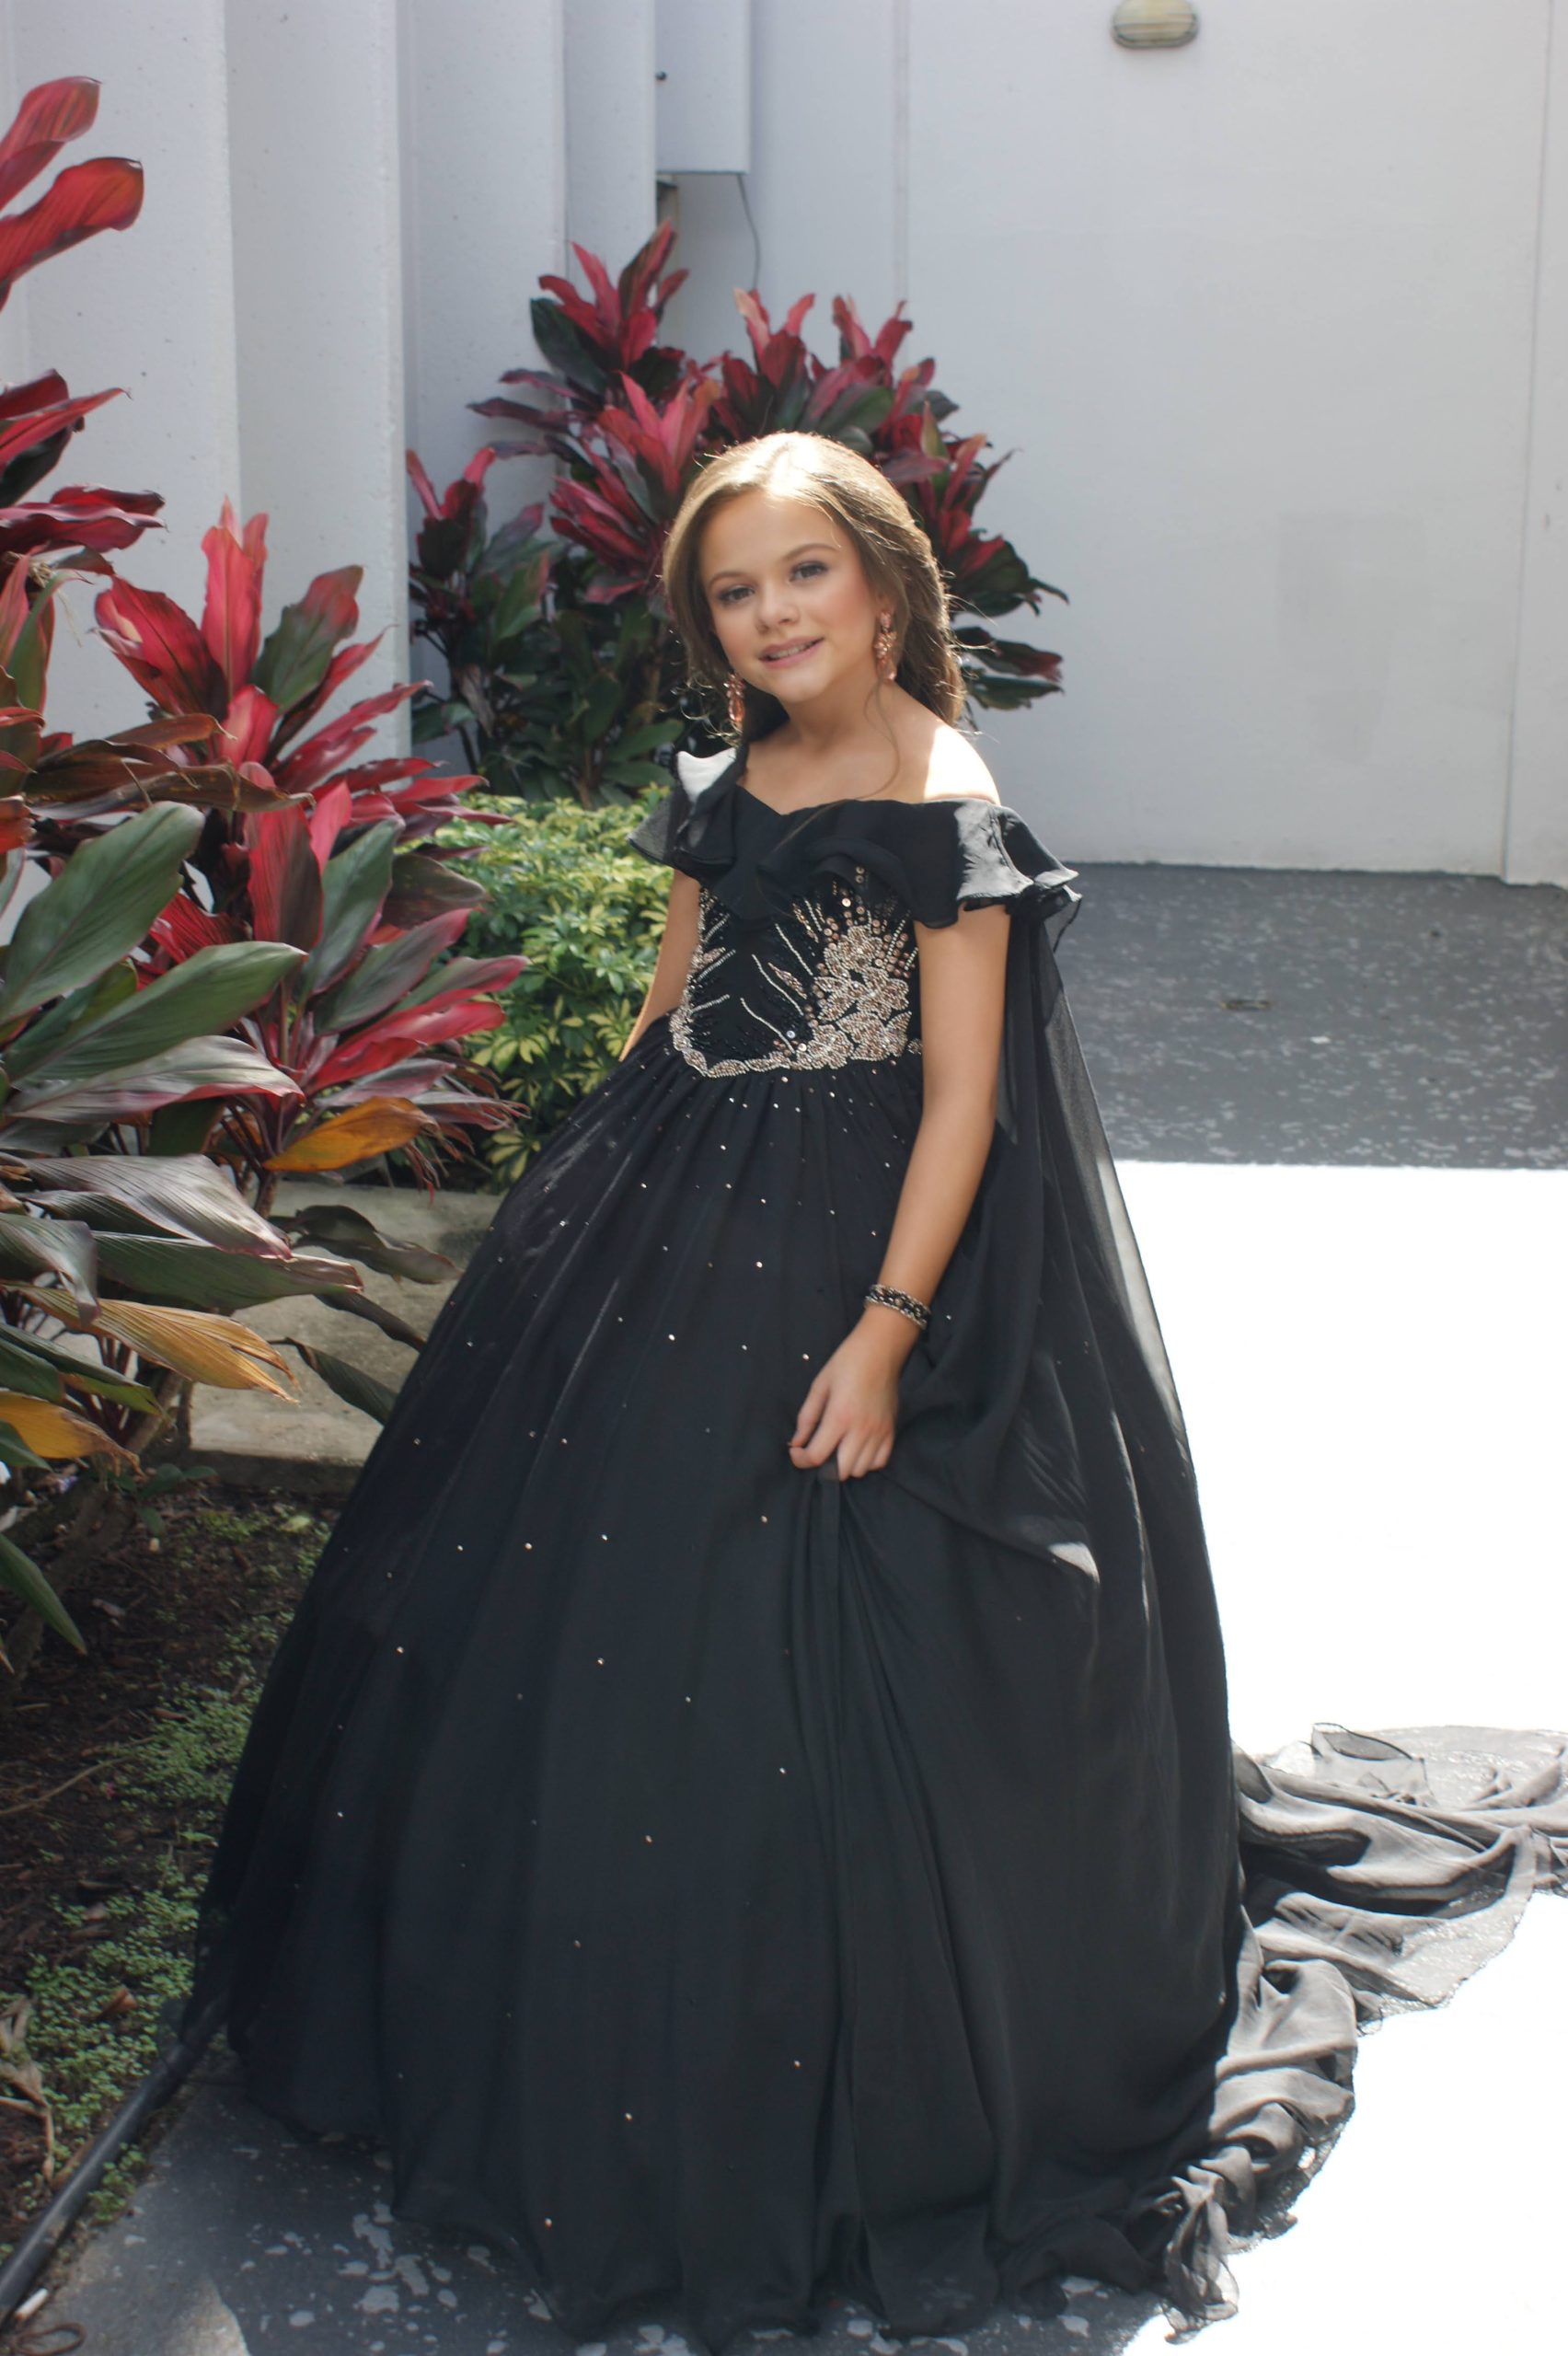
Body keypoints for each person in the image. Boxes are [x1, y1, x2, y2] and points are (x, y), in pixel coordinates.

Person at [178, 429, 1567, 2351]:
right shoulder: (718, 776)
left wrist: (888, 1329)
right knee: (571, 1597)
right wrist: (583, 1206)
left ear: (887, 583)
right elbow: (675, 999)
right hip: (668, 1188)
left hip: (857, 1228)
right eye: (734, 592)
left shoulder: (941, 791)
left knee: (819, 1612)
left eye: (803, 574)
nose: (772, 616)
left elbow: (968, 1095)